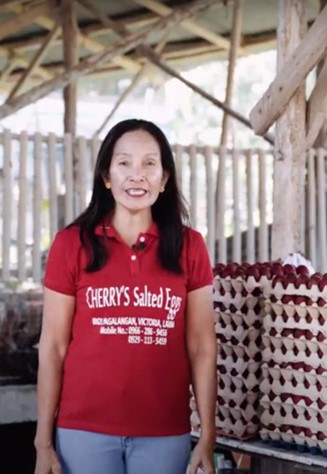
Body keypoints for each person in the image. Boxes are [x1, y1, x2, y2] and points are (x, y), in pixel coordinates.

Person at [34, 118, 217, 474]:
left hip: (165, 433)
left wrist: (207, 437)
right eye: (124, 163)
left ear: (164, 179)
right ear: (106, 176)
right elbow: (53, 346)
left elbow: (202, 346)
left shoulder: (190, 246)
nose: (137, 175)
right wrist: (43, 442)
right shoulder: (71, 244)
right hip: (82, 431)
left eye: (150, 163)